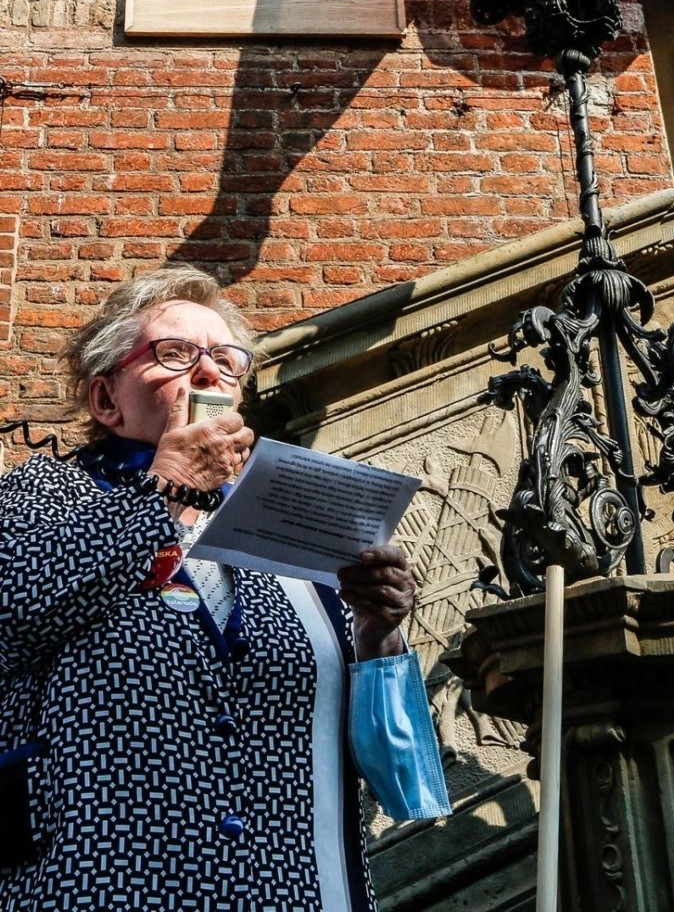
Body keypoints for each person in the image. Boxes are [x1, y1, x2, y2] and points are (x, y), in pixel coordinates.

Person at [0, 265, 448, 911]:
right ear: (107, 400)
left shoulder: (293, 523)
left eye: (226, 361)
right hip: (99, 883)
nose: (208, 372)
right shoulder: (41, 499)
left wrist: (378, 638)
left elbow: (396, 779)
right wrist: (168, 487)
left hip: (292, 888)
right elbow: (15, 616)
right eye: (174, 354)